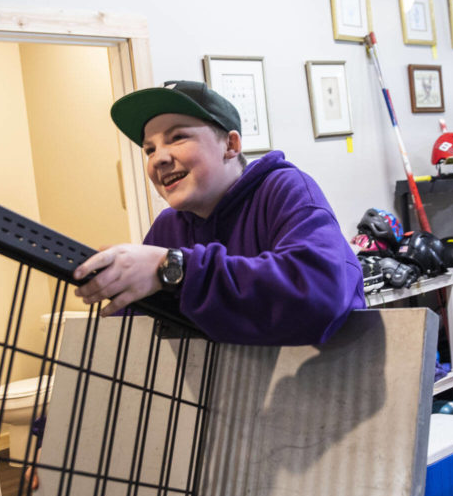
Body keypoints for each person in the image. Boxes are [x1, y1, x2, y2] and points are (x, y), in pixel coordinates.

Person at [72, 80, 365, 346]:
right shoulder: (167, 228)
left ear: (230, 145)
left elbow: (319, 293)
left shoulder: (284, 189)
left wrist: (176, 269)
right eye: (149, 149)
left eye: (177, 137)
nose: (159, 158)